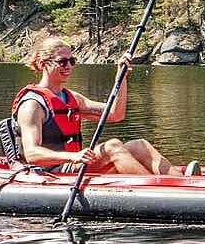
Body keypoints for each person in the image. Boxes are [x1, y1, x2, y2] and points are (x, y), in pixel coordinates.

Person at [14, 37, 187, 175]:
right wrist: (73, 156)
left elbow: (115, 114)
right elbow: (32, 154)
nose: (68, 66)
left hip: (73, 164)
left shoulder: (72, 98)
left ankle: (182, 184)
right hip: (52, 171)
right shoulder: (32, 105)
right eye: (62, 62)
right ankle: (157, 191)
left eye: (72, 61)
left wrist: (121, 78)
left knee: (139, 145)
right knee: (112, 146)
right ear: (44, 64)